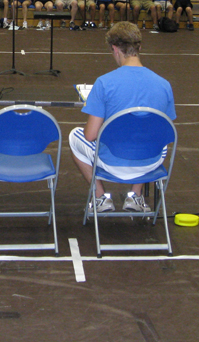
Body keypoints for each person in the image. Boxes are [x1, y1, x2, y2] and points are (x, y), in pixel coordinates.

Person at [69, 21, 176, 213]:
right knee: (152, 139)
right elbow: (166, 131)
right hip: (150, 161)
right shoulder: (164, 84)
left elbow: (90, 135)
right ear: (139, 47)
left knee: (74, 135)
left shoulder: (104, 83)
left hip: (113, 161)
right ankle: (135, 195)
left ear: (115, 49)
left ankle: (100, 197)